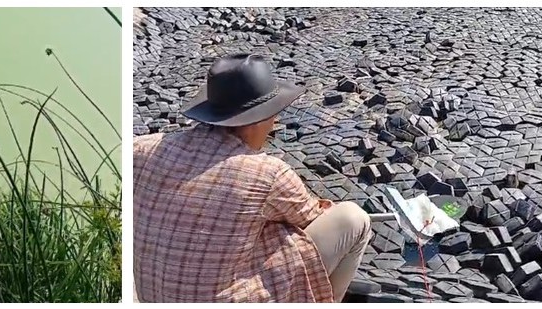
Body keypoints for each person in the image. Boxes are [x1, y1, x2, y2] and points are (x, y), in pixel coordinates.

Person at [132, 54, 372, 303]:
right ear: (257, 120)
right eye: (273, 114)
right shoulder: (267, 173)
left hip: (155, 297)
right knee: (353, 218)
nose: (275, 123)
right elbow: (312, 217)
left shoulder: (140, 149)